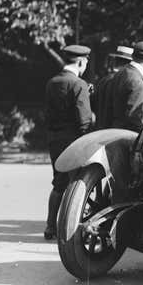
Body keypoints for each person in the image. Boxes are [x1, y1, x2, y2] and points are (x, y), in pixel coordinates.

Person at [44, 44, 93, 239]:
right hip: (74, 141)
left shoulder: (52, 82)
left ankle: (50, 227)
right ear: (80, 61)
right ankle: (72, 228)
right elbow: (84, 120)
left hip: (55, 139)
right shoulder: (79, 84)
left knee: (58, 183)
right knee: (77, 185)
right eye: (85, 63)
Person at [109, 41, 143, 132]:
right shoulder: (137, 81)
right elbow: (136, 118)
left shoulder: (121, 73)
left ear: (133, 56)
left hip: (115, 131)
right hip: (128, 137)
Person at [92, 45, 133, 129]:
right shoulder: (122, 82)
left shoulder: (103, 80)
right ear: (128, 64)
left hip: (99, 130)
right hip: (114, 132)